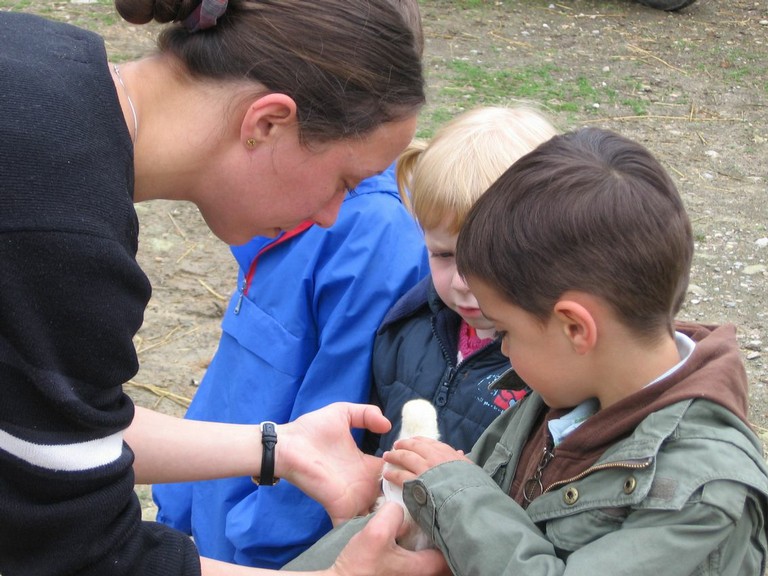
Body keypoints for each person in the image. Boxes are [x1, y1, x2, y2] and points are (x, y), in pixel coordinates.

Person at [0, 0, 449, 574]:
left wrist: (277, 448)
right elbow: (80, 556)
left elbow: (46, 438)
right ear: (267, 123)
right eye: (345, 181)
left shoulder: (41, 62)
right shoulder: (59, 235)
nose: (334, 215)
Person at [284, 127, 768, 574]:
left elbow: (470, 500)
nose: (504, 351)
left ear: (575, 328)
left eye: (505, 332)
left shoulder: (703, 497)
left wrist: (456, 495)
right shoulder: (563, 391)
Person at [153, 162, 429, 568]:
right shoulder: (283, 210)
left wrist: (257, 547)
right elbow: (231, 378)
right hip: (214, 521)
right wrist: (175, 506)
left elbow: (334, 418)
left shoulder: (374, 238)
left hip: (255, 551)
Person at [365, 106, 558, 457]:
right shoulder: (406, 328)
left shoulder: (554, 369)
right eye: (442, 255)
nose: (461, 282)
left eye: (487, 260)